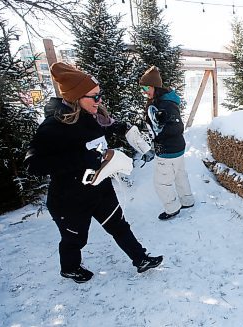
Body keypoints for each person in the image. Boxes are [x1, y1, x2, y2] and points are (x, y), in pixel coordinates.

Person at [24, 63, 163, 283]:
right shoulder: (53, 126)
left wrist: (121, 128)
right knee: (75, 239)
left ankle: (140, 259)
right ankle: (69, 268)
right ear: (76, 97)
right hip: (69, 199)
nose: (99, 101)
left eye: (100, 95)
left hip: (99, 189)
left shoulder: (92, 116)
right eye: (94, 97)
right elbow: (33, 164)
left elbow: (102, 130)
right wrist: (81, 159)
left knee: (118, 224)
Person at [140, 66, 194, 220]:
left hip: (168, 150)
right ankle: (187, 200)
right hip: (176, 148)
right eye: (142, 88)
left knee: (161, 183)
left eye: (146, 87)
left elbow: (178, 127)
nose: (144, 91)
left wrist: (159, 133)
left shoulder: (165, 104)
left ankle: (172, 208)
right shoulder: (161, 101)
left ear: (154, 86)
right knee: (179, 176)